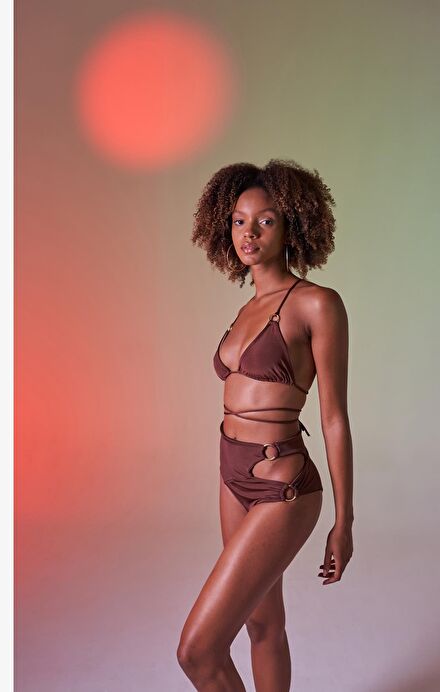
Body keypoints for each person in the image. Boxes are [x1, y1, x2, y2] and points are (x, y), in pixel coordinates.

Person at [177, 159, 354, 691]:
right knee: (263, 624)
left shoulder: (316, 304)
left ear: (292, 225)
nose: (248, 233)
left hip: (282, 486)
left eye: (265, 220)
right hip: (232, 475)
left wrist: (344, 521)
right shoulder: (248, 308)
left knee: (198, 651)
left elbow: (334, 418)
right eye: (238, 221)